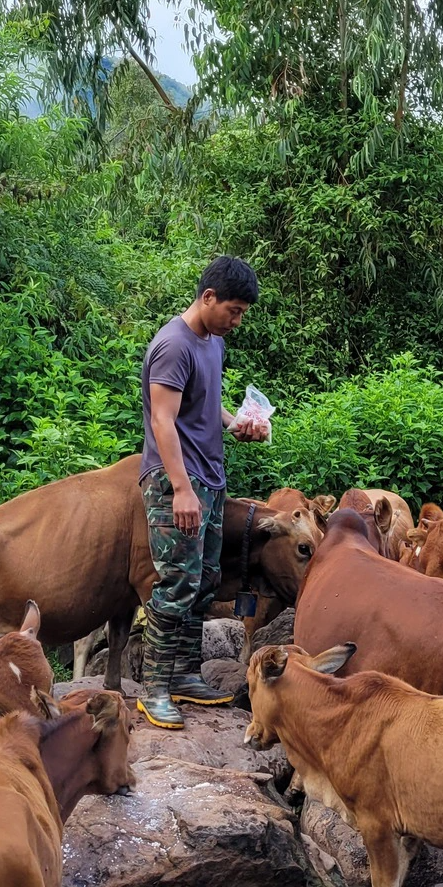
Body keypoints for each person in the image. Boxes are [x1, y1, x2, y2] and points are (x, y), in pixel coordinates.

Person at [136, 255, 269, 729]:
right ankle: (153, 689)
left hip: (210, 480)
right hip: (177, 484)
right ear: (207, 297)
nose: (236, 321)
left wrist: (238, 425)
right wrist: (180, 489)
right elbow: (162, 420)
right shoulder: (174, 345)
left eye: (242, 314)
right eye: (232, 310)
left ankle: (185, 675)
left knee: (204, 580)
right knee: (175, 583)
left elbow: (205, 407)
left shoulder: (211, 344)